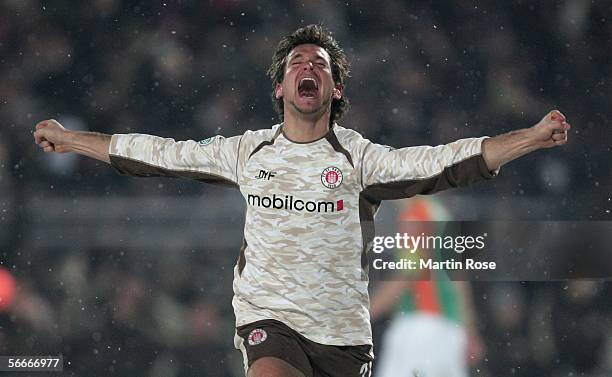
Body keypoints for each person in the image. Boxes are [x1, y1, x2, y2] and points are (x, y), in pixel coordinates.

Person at [33, 24, 570, 377]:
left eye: (319, 65)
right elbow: (159, 152)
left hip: (343, 340)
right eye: (296, 63)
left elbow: (442, 162)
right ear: (279, 88)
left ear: (335, 90)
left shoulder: (359, 160)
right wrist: (74, 139)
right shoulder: (249, 152)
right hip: (270, 322)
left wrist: (529, 136)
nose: (306, 68)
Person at [369, 197, 484, 377]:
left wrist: (363, 314)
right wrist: (469, 330)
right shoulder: (439, 213)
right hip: (449, 330)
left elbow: (409, 273)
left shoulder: (416, 215)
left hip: (421, 329)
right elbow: (459, 279)